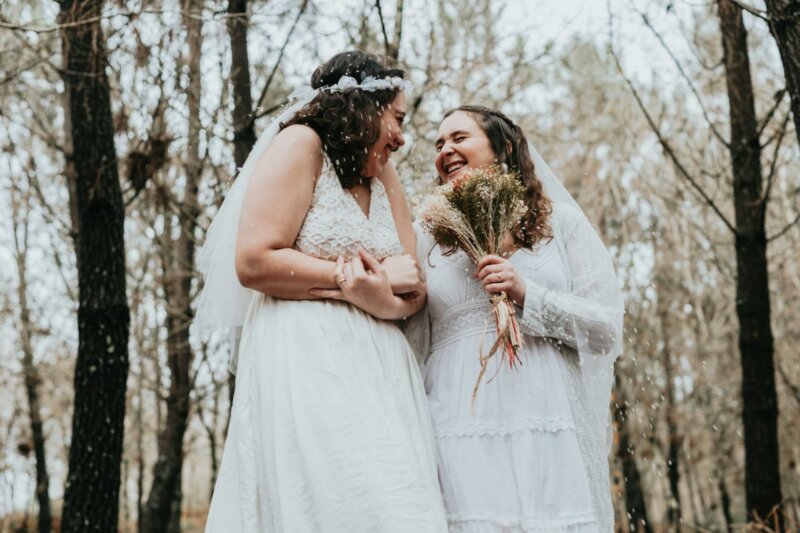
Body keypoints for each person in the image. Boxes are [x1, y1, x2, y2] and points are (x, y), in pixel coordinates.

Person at [197, 51, 447, 532]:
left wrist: (380, 301)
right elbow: (254, 261)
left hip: (384, 371)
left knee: (400, 505)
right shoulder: (300, 144)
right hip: (309, 356)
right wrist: (348, 284)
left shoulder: (385, 175)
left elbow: (411, 279)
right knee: (341, 503)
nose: (401, 136)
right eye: (397, 118)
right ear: (362, 106)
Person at [407, 105, 624, 532]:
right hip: (457, 421)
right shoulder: (424, 236)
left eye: (458, 138)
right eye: (438, 143)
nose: (445, 150)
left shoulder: (561, 225)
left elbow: (604, 330)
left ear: (503, 147)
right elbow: (413, 339)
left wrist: (527, 294)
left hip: (547, 420)